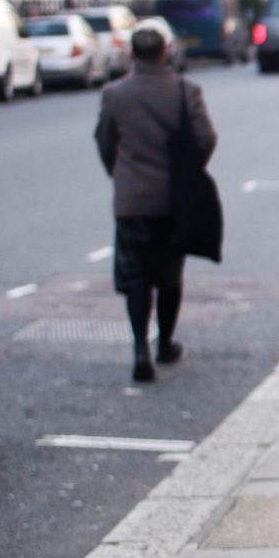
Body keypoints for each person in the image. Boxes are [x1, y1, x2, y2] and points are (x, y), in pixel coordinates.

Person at [95, 22, 217, 383]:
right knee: (169, 274)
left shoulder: (115, 94)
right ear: (165, 51)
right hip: (172, 199)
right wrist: (188, 170)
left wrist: (119, 173)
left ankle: (139, 348)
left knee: (136, 276)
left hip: (132, 199)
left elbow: (104, 140)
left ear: (132, 54)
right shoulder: (185, 91)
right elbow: (206, 137)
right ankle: (164, 342)